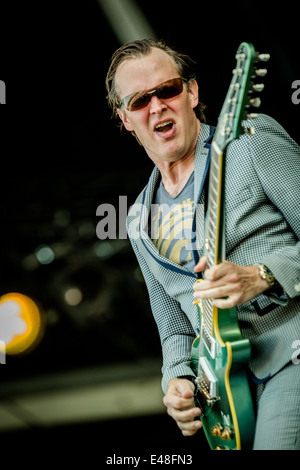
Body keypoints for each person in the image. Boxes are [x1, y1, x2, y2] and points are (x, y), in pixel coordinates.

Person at [105, 38, 300, 450]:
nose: (156, 106)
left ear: (191, 92)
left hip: (292, 351)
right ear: (125, 118)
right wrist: (175, 378)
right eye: (140, 101)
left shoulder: (248, 144)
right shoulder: (139, 219)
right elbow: (173, 323)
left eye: (168, 90)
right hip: (231, 389)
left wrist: (263, 275)